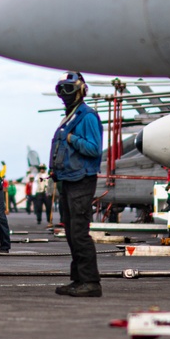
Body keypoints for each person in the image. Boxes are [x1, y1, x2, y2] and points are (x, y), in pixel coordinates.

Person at [49, 71, 103, 297]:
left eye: (68, 89)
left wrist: (72, 139)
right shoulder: (70, 116)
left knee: (79, 233)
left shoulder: (87, 116)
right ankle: (78, 279)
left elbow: (94, 148)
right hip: (67, 180)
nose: (64, 95)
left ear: (81, 90)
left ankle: (91, 282)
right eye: (61, 90)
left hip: (81, 180)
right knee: (72, 232)